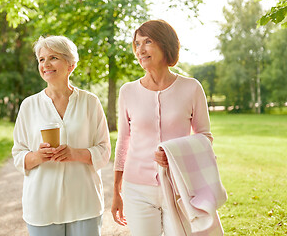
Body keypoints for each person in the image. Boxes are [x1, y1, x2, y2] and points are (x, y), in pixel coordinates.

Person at [111, 19, 213, 236]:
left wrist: (175, 154)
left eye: (147, 41)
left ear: (165, 45)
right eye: (137, 44)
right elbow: (123, 141)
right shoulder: (127, 91)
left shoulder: (191, 88)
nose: (140, 49)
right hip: (137, 188)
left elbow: (205, 136)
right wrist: (116, 191)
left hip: (180, 187)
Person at [12, 35, 111, 236]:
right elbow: (18, 154)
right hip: (42, 205)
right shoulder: (29, 105)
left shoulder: (90, 102)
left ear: (70, 65)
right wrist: (37, 157)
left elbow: (104, 149)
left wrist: (75, 154)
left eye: (53, 57)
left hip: (85, 203)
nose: (46, 64)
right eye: (41, 59)